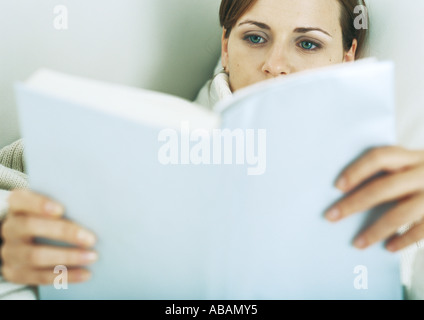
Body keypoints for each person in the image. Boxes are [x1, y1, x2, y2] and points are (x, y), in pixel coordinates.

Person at [0, 0, 423, 299]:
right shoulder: (129, 136)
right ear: (226, 46)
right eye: (255, 38)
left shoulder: (393, 183)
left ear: (348, 56)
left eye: (308, 43)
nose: (276, 64)